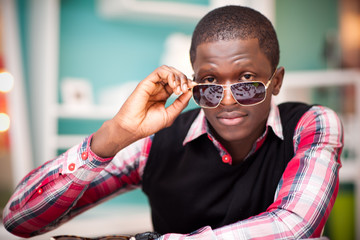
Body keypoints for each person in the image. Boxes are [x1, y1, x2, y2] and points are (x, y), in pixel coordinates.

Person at [3, 5, 343, 240]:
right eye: (209, 82)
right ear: (193, 82)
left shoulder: (311, 125)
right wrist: (113, 136)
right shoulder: (157, 143)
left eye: (247, 79)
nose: (226, 99)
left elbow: (294, 227)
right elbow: (19, 220)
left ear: (277, 81)